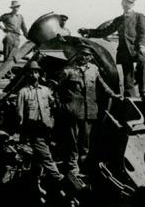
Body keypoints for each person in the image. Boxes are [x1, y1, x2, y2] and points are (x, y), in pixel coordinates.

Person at [58, 46, 121, 175]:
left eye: (87, 55)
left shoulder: (93, 69)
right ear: (78, 55)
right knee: (72, 141)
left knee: (85, 141)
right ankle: (73, 167)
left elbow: (102, 84)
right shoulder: (68, 70)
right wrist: (63, 106)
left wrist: (113, 94)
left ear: (91, 57)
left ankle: (84, 165)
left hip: (89, 110)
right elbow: (58, 90)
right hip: (73, 111)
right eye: (82, 54)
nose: (84, 57)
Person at [78, 0, 145, 98]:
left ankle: (143, 91)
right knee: (128, 75)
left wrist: (142, 45)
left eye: (129, 3)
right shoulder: (119, 19)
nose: (126, 5)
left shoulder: (139, 16)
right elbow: (105, 31)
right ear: (122, 4)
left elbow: (144, 33)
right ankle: (129, 96)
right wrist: (88, 32)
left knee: (142, 62)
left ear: (133, 5)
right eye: (124, 2)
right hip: (124, 51)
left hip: (136, 48)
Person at [17, 61, 64, 189]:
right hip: (33, 128)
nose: (34, 75)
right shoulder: (23, 92)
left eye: (36, 72)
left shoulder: (46, 90)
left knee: (38, 158)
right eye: (31, 72)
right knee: (46, 155)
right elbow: (20, 115)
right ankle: (59, 179)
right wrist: (22, 133)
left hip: (47, 128)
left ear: (40, 74)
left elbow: (54, 106)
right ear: (27, 75)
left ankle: (34, 182)